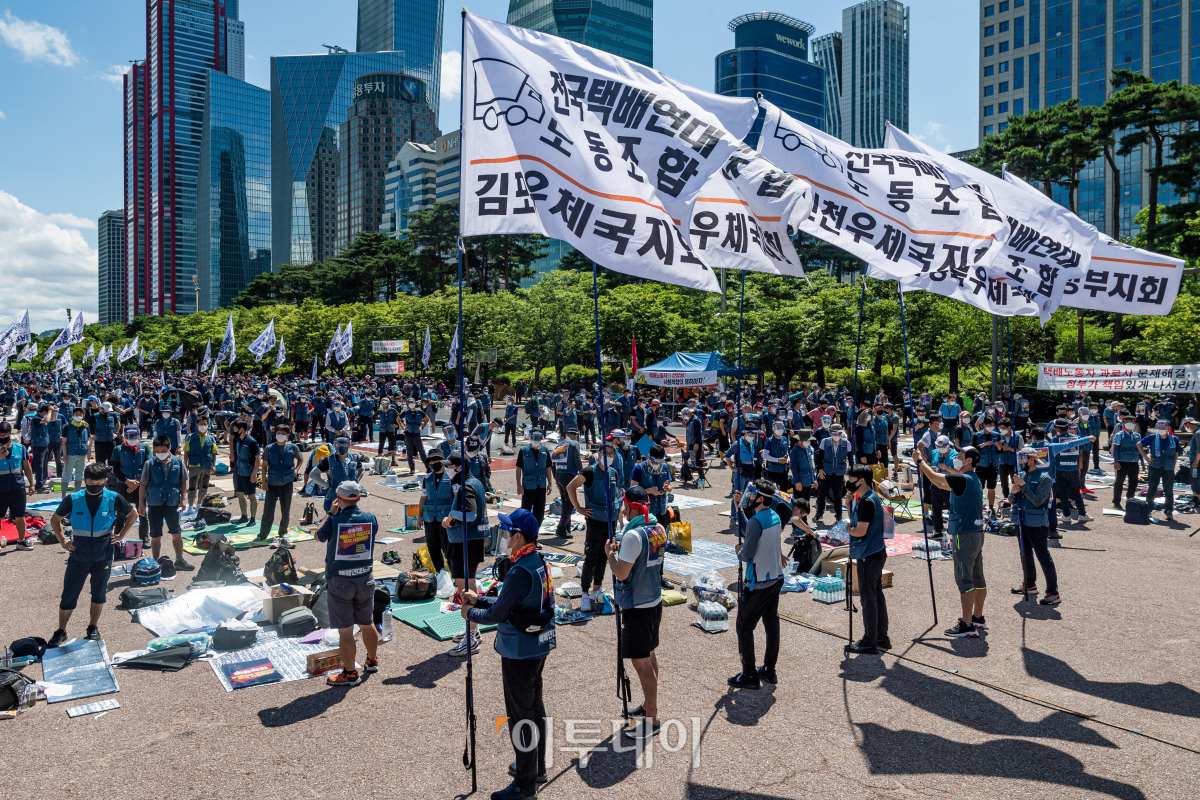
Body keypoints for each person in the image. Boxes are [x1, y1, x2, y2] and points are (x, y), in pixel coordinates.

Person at [460, 509, 555, 800]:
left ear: (517, 536)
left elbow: (498, 613)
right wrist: (483, 598)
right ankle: (535, 766)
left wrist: (471, 611)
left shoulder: (518, 570)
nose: (501, 535)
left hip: (520, 650)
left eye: (505, 531)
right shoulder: (536, 559)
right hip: (539, 644)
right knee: (533, 707)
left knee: (520, 716)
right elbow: (512, 602)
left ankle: (526, 784)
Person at [46, 463, 140, 648]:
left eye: (98, 481)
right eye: (90, 481)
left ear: (105, 481)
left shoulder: (114, 498)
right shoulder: (73, 499)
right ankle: (61, 630)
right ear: (84, 480)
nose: (94, 484)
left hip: (103, 554)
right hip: (78, 554)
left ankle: (92, 626)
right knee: (69, 595)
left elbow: (133, 514)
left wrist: (121, 535)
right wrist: (63, 541)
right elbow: (55, 520)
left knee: (99, 594)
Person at [605, 485, 665, 741]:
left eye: (624, 505)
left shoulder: (632, 536)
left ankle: (652, 717)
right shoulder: (658, 526)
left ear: (629, 506)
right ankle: (648, 706)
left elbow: (621, 573)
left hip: (637, 605)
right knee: (649, 657)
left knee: (641, 665)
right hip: (653, 599)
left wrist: (610, 555)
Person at [917, 444, 988, 638]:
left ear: (969, 460)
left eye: (960, 455)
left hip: (964, 535)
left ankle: (967, 624)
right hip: (975, 533)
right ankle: (978, 617)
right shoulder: (971, 479)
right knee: (977, 578)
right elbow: (940, 484)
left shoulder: (963, 478)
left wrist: (920, 461)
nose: (956, 457)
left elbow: (933, 478)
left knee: (965, 580)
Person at [314, 480, 380, 686]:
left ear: (338, 499)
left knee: (345, 630)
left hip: (341, 580)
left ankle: (350, 673)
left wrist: (330, 513)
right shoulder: (371, 518)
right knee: (367, 623)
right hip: (365, 578)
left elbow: (318, 536)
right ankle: (372, 660)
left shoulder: (334, 520)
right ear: (359, 497)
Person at [728, 479, 785, 687]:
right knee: (771, 624)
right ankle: (769, 669)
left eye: (752, 496)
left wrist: (739, 552)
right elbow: (753, 532)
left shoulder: (755, 521)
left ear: (761, 498)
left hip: (759, 581)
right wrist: (738, 510)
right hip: (776, 578)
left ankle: (749, 674)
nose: (749, 498)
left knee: (744, 626)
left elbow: (747, 551)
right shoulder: (775, 516)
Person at [443, 449, 489, 656]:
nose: (447, 469)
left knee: (466, 593)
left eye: (450, 466)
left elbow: (469, 514)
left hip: (464, 541)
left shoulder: (466, 486)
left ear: (459, 467)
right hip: (472, 541)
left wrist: (450, 518)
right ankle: (473, 630)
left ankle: (471, 639)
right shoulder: (476, 481)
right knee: (470, 588)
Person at [843, 464, 890, 654]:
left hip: (868, 555)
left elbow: (859, 530)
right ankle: (881, 636)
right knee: (876, 595)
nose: (848, 482)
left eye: (851, 479)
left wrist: (848, 530)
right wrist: (848, 505)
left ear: (861, 480)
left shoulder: (866, 502)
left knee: (868, 599)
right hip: (876, 552)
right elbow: (858, 520)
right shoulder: (869, 498)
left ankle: (869, 640)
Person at [567, 448, 621, 613]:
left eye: (612, 454)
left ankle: (596, 590)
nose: (609, 456)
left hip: (610, 521)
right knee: (591, 557)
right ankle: (584, 593)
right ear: (599, 454)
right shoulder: (589, 471)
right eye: (606, 453)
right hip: (595, 520)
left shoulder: (614, 473)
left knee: (604, 557)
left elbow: (616, 494)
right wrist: (579, 508)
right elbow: (570, 487)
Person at [1010, 447, 1059, 605]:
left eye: (1023, 458)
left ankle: (1053, 592)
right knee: (1025, 554)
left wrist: (1023, 486)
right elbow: (1011, 500)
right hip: (1021, 520)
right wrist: (1013, 491)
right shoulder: (1021, 475)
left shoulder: (1045, 478)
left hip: (1036, 523)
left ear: (1032, 459)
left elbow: (1038, 501)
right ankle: (1030, 583)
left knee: (1043, 556)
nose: (1021, 462)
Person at [139, 435, 194, 570]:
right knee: (155, 535)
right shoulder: (149, 463)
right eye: (157, 452)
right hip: (154, 504)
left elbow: (183, 482)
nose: (160, 454)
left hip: (173, 503)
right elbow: (143, 484)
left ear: (170, 448)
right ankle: (155, 562)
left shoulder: (178, 462)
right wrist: (141, 503)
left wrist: (184, 499)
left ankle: (179, 560)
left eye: (163, 451)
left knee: (176, 532)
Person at [259, 422, 303, 543]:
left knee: (285, 510)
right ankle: (263, 534)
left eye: (283, 434)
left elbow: (301, 458)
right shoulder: (269, 448)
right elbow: (264, 466)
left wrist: (297, 470)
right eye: (278, 433)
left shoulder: (292, 448)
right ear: (275, 434)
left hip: (287, 483)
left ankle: (283, 532)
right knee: (268, 510)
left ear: (288, 435)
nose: (280, 435)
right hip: (272, 483)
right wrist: (263, 481)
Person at [1138, 419, 1183, 522]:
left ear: (1168, 428)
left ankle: (1169, 511)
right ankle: (1148, 509)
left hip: (1168, 467)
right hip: (1155, 466)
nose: (1162, 429)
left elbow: (1176, 452)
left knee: (1168, 490)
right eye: (1160, 427)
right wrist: (1145, 457)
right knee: (1152, 489)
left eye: (1164, 427)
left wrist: (1173, 463)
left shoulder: (1174, 439)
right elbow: (1139, 444)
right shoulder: (1152, 437)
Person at [0, 421, 35, 551]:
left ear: (10, 433)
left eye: (5, 435)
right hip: (1, 488)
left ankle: (21, 541)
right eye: (0, 435)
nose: (2, 437)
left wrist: (31, 484)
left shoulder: (20, 448)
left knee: (20, 516)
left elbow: (27, 467)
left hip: (18, 486)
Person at [418, 453, 455, 574]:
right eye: (431, 462)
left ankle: (455, 574)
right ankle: (440, 573)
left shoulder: (451, 477)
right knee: (432, 548)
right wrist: (419, 517)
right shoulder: (427, 478)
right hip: (429, 519)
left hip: (445, 519)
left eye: (436, 461)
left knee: (447, 548)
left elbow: (456, 498)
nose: (433, 464)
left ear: (443, 460)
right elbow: (423, 498)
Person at [814, 424, 851, 523]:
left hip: (839, 473)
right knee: (822, 494)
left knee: (838, 496)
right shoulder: (824, 442)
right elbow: (819, 457)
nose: (836, 435)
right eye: (834, 433)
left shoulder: (846, 444)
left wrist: (851, 471)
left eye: (838, 433)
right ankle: (819, 513)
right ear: (830, 433)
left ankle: (838, 515)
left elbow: (851, 459)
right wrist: (820, 470)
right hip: (826, 472)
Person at [182, 417, 220, 513]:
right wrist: (185, 464)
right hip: (194, 464)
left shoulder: (211, 438)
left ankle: (199, 505)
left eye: (205, 424)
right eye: (201, 424)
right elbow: (186, 451)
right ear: (197, 425)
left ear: (208, 425)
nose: (203, 426)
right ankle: (190, 507)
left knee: (204, 485)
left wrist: (214, 465)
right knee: (192, 486)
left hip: (207, 465)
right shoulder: (190, 437)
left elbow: (214, 452)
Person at [550, 428, 582, 539]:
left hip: (559, 474)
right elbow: (577, 459)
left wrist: (555, 477)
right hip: (569, 475)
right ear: (575, 436)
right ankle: (561, 528)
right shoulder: (574, 444)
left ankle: (567, 526)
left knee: (564, 502)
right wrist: (583, 474)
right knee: (570, 503)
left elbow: (553, 462)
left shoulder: (559, 445)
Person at [631, 443, 671, 529]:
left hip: (661, 509)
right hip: (646, 512)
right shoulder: (639, 468)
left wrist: (668, 488)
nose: (657, 464)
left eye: (660, 462)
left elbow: (669, 485)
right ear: (649, 456)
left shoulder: (665, 467)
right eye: (654, 461)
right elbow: (632, 491)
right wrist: (649, 491)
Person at [516, 429, 551, 524]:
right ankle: (525, 535)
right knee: (525, 512)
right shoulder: (523, 450)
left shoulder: (545, 450)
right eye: (534, 437)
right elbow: (518, 468)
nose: (536, 440)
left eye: (539, 438)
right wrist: (519, 485)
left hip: (541, 487)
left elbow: (548, 468)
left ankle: (534, 536)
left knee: (539, 514)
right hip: (528, 487)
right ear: (530, 437)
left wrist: (550, 484)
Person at [229, 420, 261, 525]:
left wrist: (254, 473)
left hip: (249, 472)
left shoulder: (251, 442)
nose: (233, 431)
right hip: (240, 472)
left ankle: (253, 519)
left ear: (242, 429)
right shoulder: (239, 440)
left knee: (251, 496)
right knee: (239, 493)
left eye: (235, 429)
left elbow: (258, 458)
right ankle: (244, 516)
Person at [1109, 413, 1143, 510]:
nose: (1129, 423)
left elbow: (1140, 449)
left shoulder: (1137, 435)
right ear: (1123, 423)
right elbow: (1115, 449)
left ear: (1134, 423)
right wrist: (1116, 461)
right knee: (1119, 481)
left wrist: (1142, 462)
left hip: (1134, 462)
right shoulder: (1119, 435)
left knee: (1134, 482)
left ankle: (1130, 500)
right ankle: (1116, 501)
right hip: (1122, 461)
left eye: (1131, 421)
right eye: (1127, 421)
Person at [61, 404, 92, 498]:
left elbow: (89, 438)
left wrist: (86, 446)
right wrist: (65, 455)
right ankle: (63, 496)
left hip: (82, 454)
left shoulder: (86, 427)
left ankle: (77, 495)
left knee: (79, 475)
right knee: (67, 475)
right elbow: (64, 442)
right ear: (73, 415)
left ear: (83, 415)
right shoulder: (67, 427)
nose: (78, 415)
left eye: (80, 414)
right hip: (70, 454)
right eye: (76, 414)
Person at [375, 397, 399, 466]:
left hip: (390, 429)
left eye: (386, 403)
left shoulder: (392, 410)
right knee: (381, 444)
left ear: (388, 404)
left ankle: (393, 460)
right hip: (382, 429)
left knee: (392, 445)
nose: (385, 405)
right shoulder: (379, 411)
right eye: (383, 404)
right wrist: (377, 424)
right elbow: (373, 417)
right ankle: (379, 458)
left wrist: (396, 424)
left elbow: (398, 417)